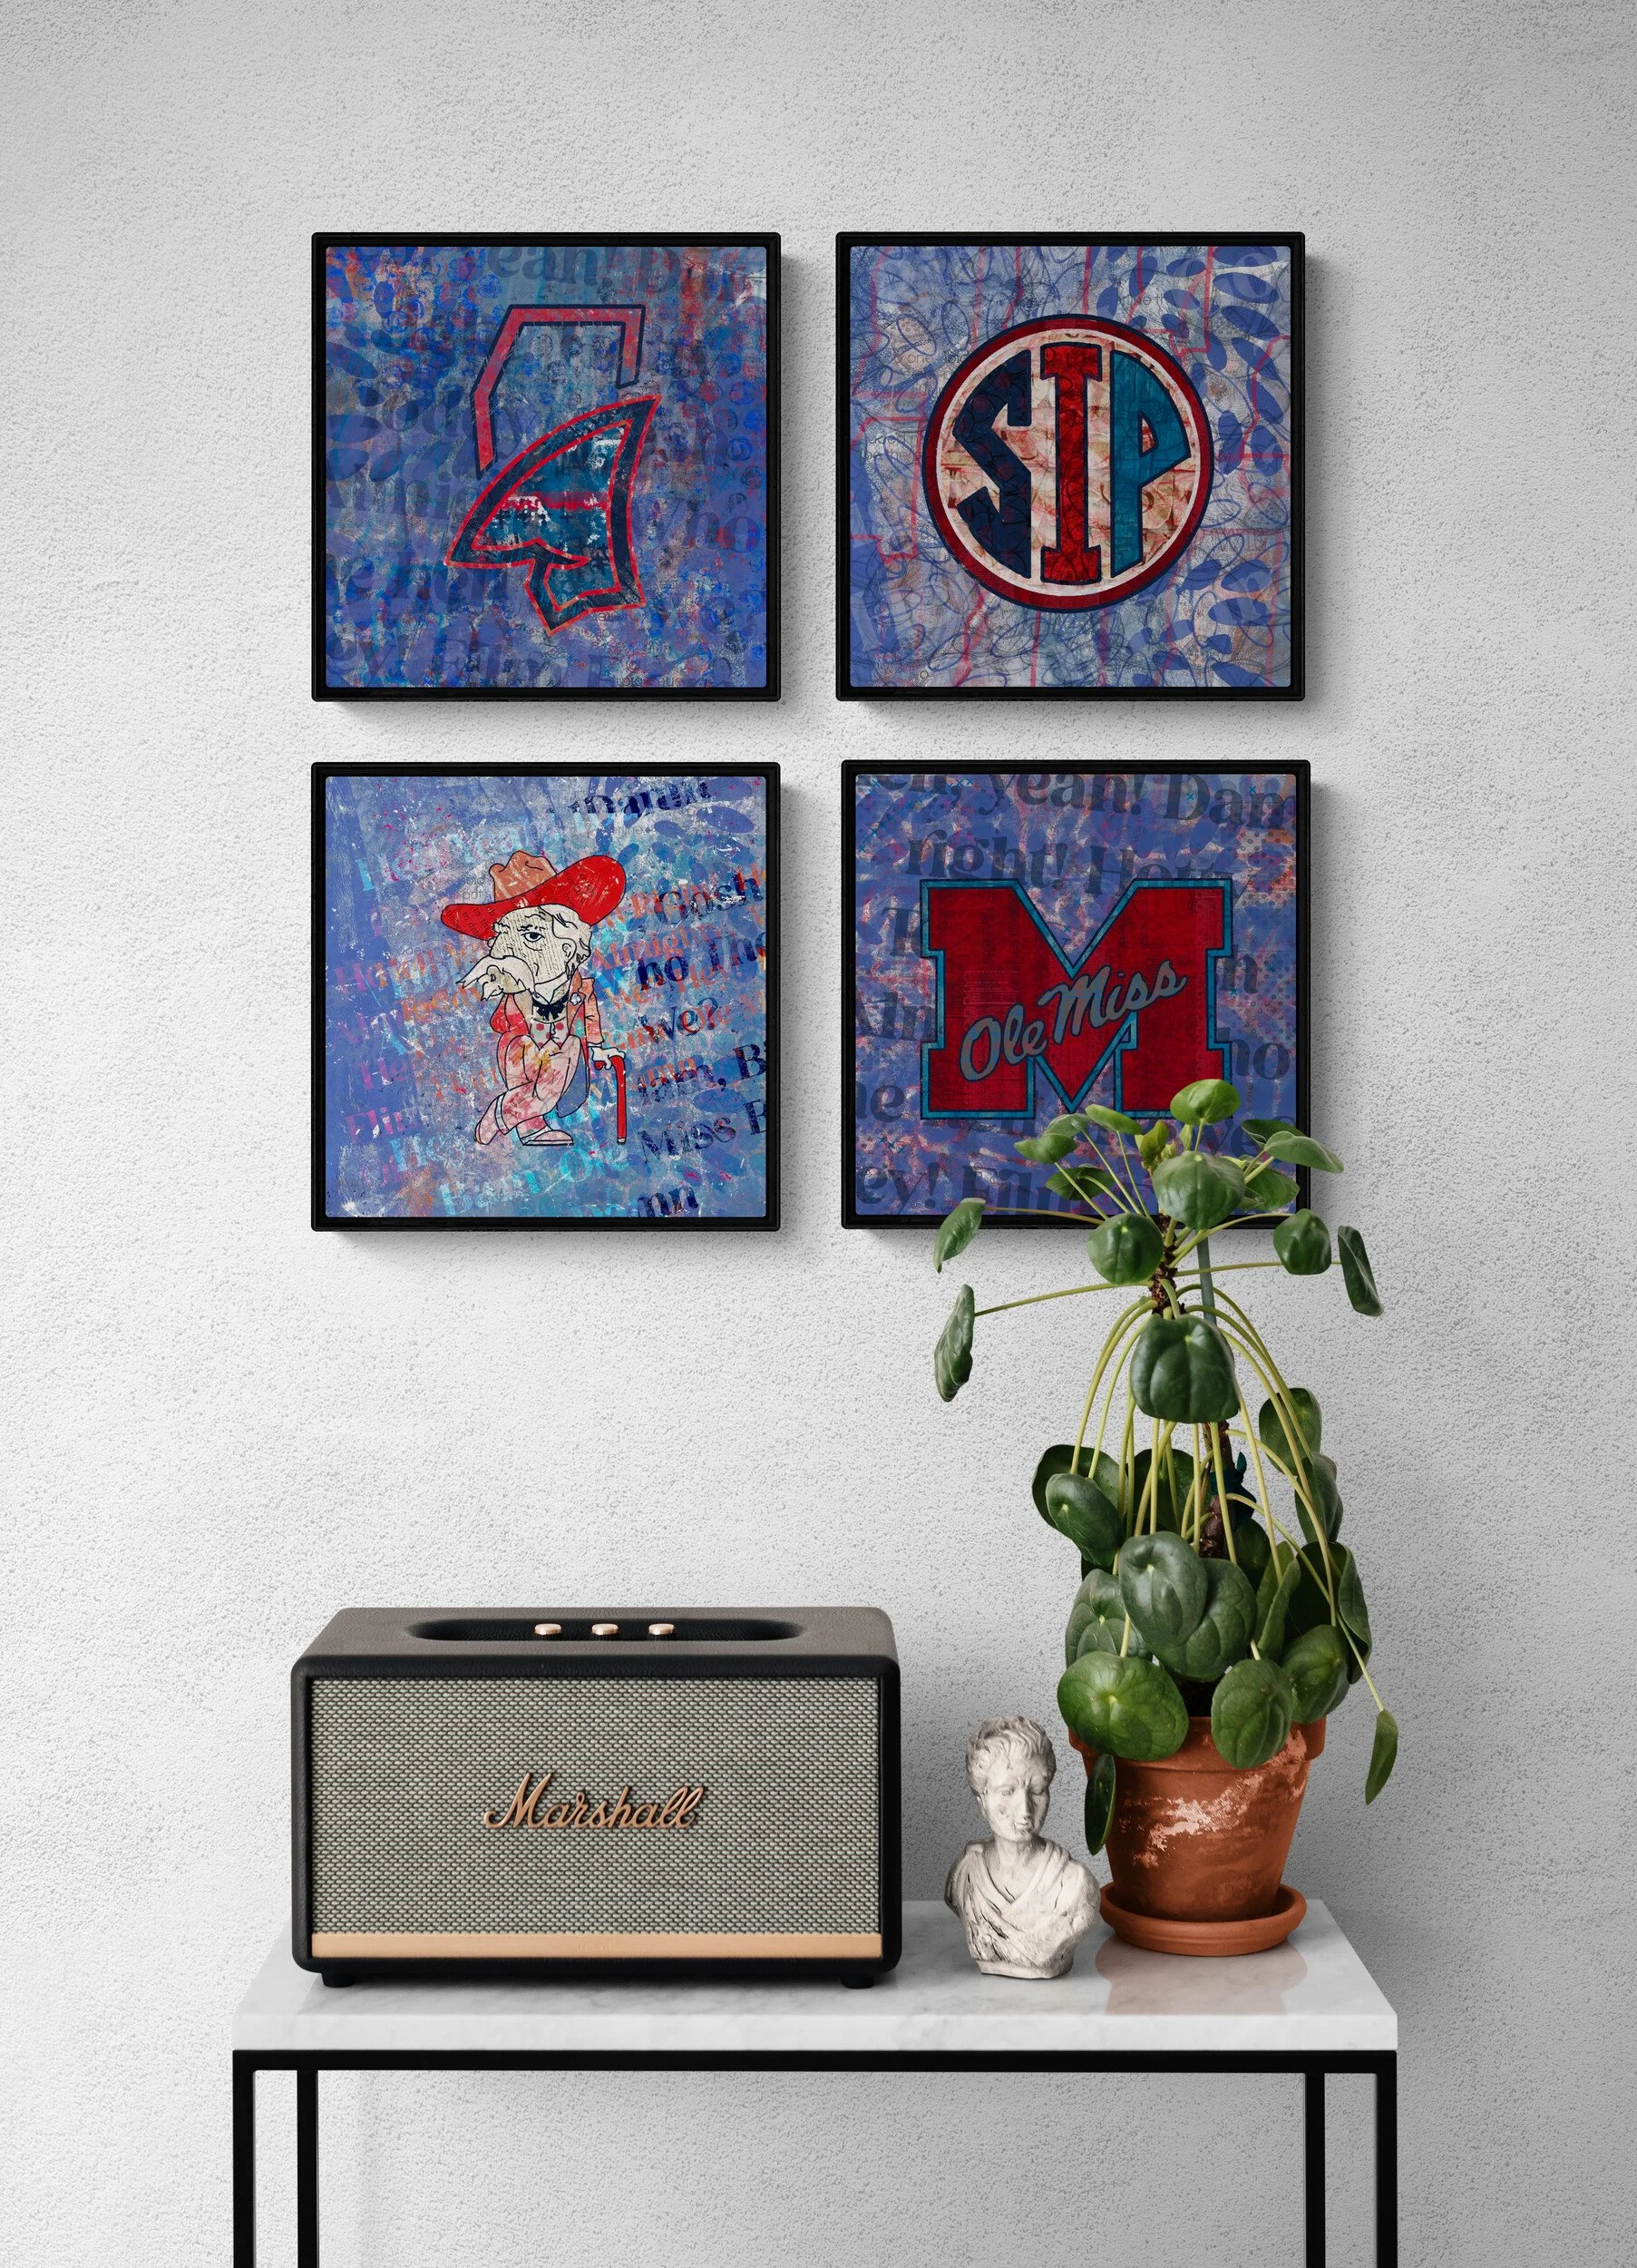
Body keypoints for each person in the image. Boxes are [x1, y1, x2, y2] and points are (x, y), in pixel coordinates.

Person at [440, 848, 625, 1150]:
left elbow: (589, 1018)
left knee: (554, 1076)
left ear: (567, 945)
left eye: (533, 937)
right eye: (508, 940)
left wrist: (599, 1048)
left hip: (562, 1048)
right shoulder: (516, 985)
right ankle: (531, 1128)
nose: (518, 952)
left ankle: (500, 1115)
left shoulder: (578, 988)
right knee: (523, 1072)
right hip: (518, 1044)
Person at [944, 1716, 1098, 1979]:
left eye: (1037, 1790)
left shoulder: (1074, 1885)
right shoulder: (965, 1874)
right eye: (1007, 1791)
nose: (1025, 1810)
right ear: (982, 1800)